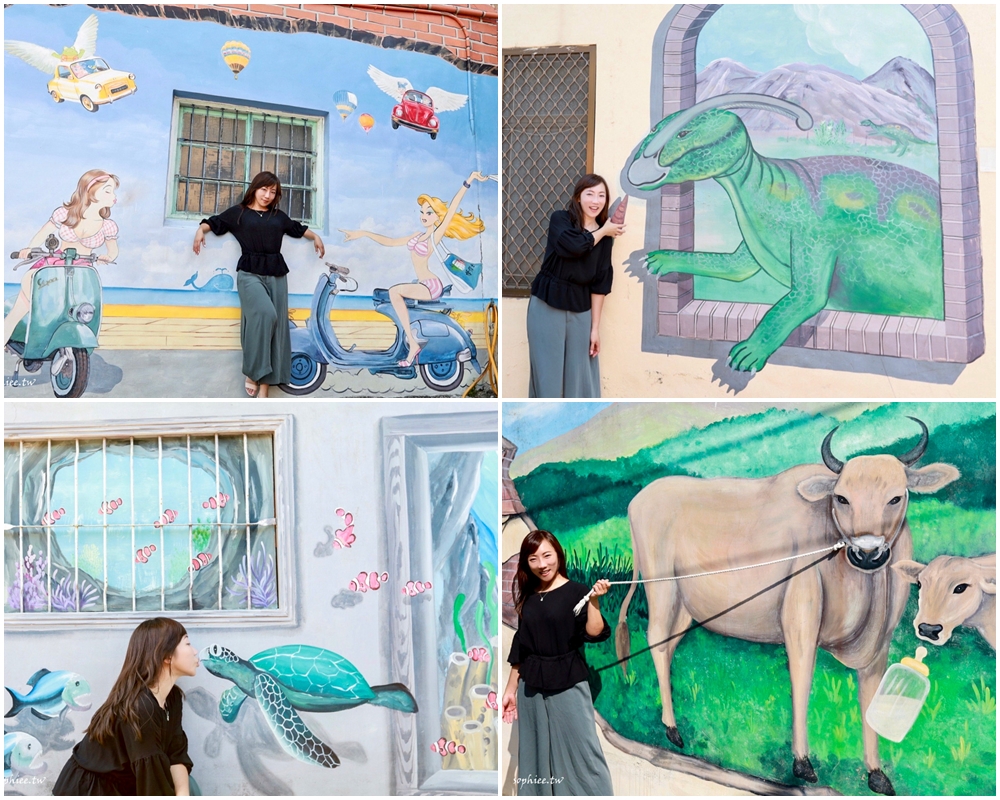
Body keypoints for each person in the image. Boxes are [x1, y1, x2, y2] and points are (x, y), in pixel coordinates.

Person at [193, 171, 325, 398]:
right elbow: (214, 223)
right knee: (265, 315)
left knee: (276, 329)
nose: (267, 195)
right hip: (249, 273)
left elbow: (297, 228)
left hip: (276, 274)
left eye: (273, 192)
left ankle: (265, 387)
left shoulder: (278, 216)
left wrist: (316, 237)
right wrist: (199, 231)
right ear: (255, 188)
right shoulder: (239, 213)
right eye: (264, 189)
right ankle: (253, 372)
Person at [502, 530, 614, 796]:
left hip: (568, 683)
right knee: (534, 756)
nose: (542, 564)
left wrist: (594, 600)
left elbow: (594, 632)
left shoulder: (577, 591)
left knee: (583, 755)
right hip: (531, 690)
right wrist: (510, 689)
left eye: (547, 555)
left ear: (558, 554)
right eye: (533, 558)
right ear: (526, 563)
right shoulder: (528, 597)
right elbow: (522, 646)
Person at [340, 170, 489, 366]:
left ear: (437, 217)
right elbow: (391, 242)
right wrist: (363, 233)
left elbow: (452, 208)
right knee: (394, 294)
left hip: (431, 285)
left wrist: (468, 181)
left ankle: (412, 344)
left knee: (395, 291)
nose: (424, 216)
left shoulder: (435, 235)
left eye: (429, 212)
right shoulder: (417, 236)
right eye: (422, 212)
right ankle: (408, 341)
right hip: (422, 283)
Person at [53, 618, 199, 796]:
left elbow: (176, 754)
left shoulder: (172, 697)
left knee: (189, 786)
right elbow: (152, 785)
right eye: (188, 643)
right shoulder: (141, 707)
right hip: (91, 790)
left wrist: (183, 795)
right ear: (166, 656)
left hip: (128, 785)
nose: (195, 651)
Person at [527, 174, 625, 398]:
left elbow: (600, 284)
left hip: (581, 309)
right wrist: (603, 231)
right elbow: (573, 246)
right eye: (590, 194)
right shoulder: (560, 219)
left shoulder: (606, 238)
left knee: (581, 377)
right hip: (546, 305)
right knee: (547, 375)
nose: (595, 200)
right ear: (578, 197)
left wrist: (595, 329)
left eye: (601, 195)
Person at [4, 169, 120, 345]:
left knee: (81, 310)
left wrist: (108, 257)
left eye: (113, 191)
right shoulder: (64, 214)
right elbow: (43, 234)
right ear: (90, 191)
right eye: (107, 190)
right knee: (23, 304)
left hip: (82, 272)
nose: (113, 196)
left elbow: (113, 250)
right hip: (55, 266)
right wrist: (29, 248)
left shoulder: (108, 226)